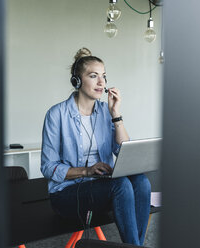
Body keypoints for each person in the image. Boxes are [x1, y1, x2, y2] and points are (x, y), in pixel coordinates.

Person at [41, 47, 151, 246]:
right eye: (94, 76)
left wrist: (116, 115)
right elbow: (48, 167)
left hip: (102, 188)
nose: (101, 83)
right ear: (77, 81)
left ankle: (136, 245)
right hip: (66, 194)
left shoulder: (105, 111)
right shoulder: (56, 114)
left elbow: (123, 150)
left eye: (104, 76)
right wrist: (87, 171)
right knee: (121, 185)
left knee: (141, 181)